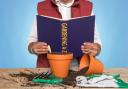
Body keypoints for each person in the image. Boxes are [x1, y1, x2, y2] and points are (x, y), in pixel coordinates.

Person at [28, 0, 101, 67]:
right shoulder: (43, 6)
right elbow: (31, 42)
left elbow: (97, 44)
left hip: (80, 68)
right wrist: (33, 47)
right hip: (49, 69)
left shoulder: (87, 7)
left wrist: (95, 49)